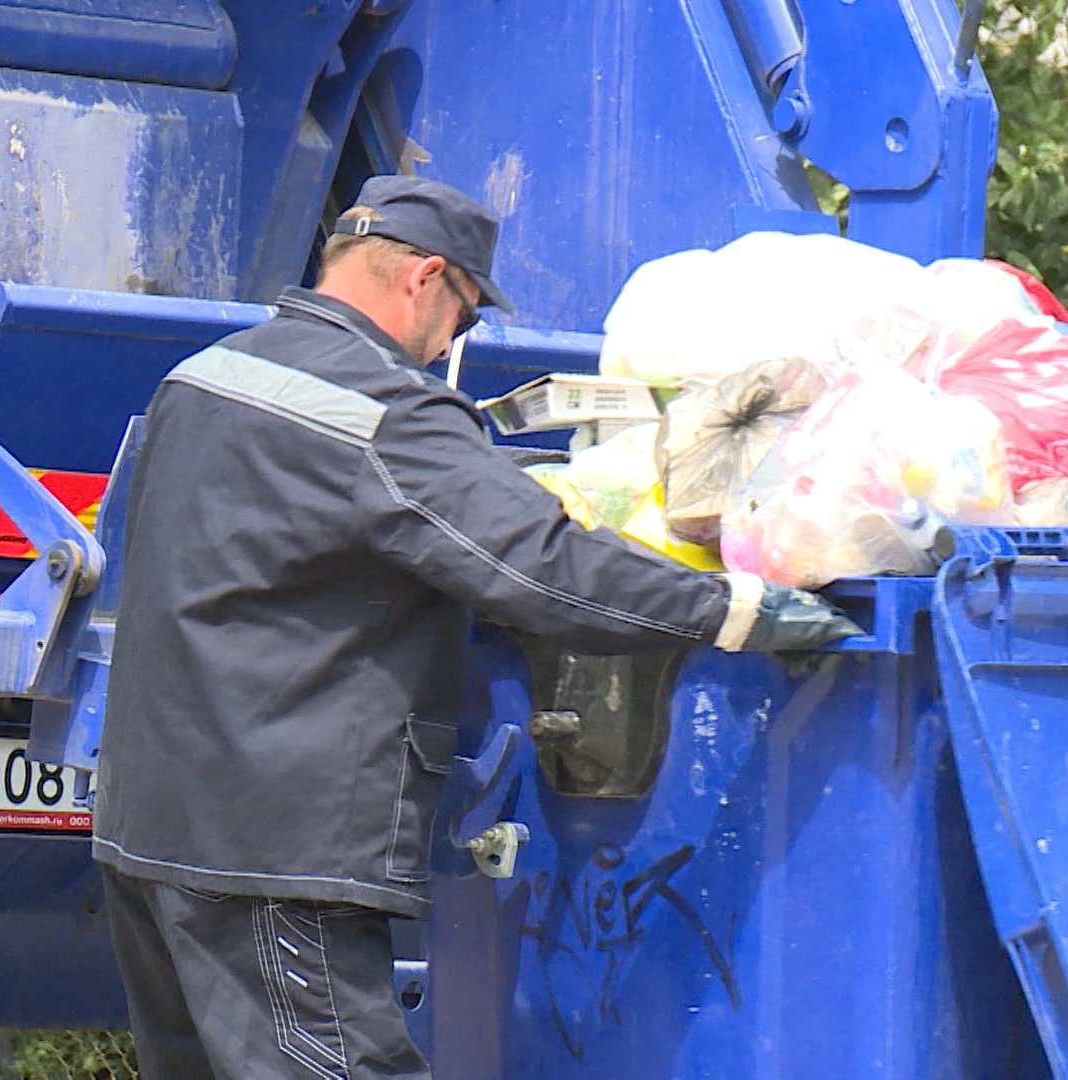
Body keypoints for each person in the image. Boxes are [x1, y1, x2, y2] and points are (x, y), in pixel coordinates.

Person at [91, 175, 860, 1079]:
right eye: (463, 310)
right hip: (270, 856)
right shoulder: (385, 417)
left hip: (145, 835)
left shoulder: (203, 379)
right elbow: (536, 564)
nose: (455, 337)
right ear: (424, 277)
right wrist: (731, 609)